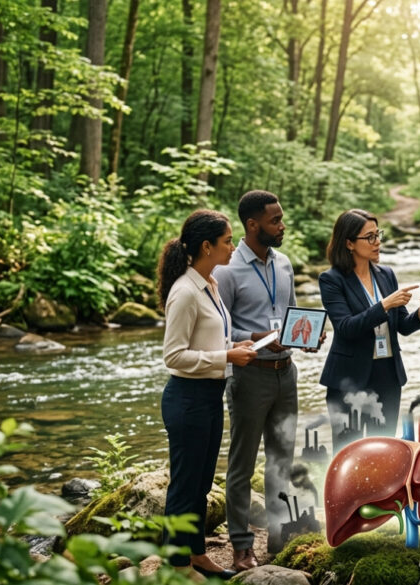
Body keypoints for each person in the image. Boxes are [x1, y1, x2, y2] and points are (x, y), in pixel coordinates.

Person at [213, 191, 318, 569]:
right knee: (242, 464)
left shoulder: (285, 263)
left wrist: (305, 336)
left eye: (281, 218)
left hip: (286, 374)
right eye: (275, 221)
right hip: (248, 376)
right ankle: (241, 546)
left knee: (281, 460)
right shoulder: (226, 270)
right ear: (252, 225)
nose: (282, 226)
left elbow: (289, 314)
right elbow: (220, 329)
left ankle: (278, 538)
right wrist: (256, 337)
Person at [156, 209, 257, 582]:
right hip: (186, 398)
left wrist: (235, 344)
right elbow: (174, 355)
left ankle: (197, 554)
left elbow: (207, 340)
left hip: (210, 395)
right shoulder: (184, 291)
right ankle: (177, 566)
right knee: (185, 485)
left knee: (201, 483)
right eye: (228, 241)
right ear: (206, 246)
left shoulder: (210, 284)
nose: (233, 247)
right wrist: (227, 356)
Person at [319, 209, 420, 452]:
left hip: (387, 376)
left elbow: (402, 326)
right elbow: (345, 328)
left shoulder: (386, 275)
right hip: (349, 379)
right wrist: (384, 304)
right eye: (370, 237)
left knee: (382, 454)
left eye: (378, 234)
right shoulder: (331, 279)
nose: (378, 242)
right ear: (349, 243)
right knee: (348, 454)